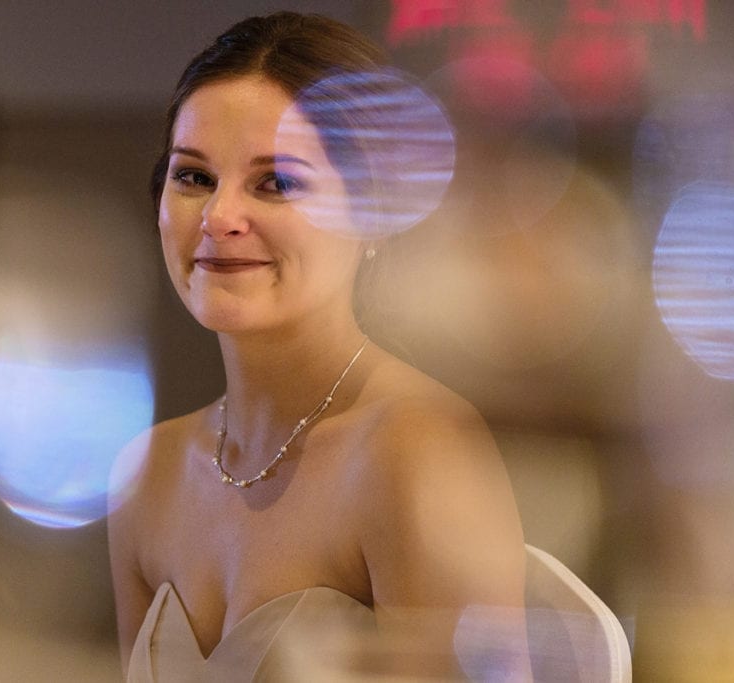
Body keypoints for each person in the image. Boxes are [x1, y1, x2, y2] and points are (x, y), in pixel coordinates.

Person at [109, 12, 528, 681]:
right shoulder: (148, 472)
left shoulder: (414, 450)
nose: (219, 218)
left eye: (274, 183)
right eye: (193, 177)